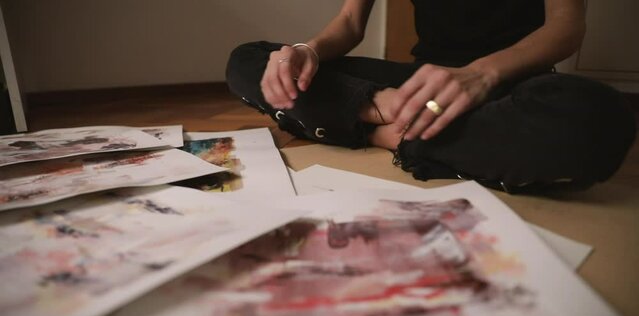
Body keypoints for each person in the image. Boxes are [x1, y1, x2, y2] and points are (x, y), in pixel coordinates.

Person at [226, 0, 635, 193]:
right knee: (250, 60)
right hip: (416, 86)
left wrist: (479, 75)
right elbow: (350, 22)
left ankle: (381, 131)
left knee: (600, 118)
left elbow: (566, 26)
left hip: (510, 82)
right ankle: (386, 117)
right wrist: (308, 52)